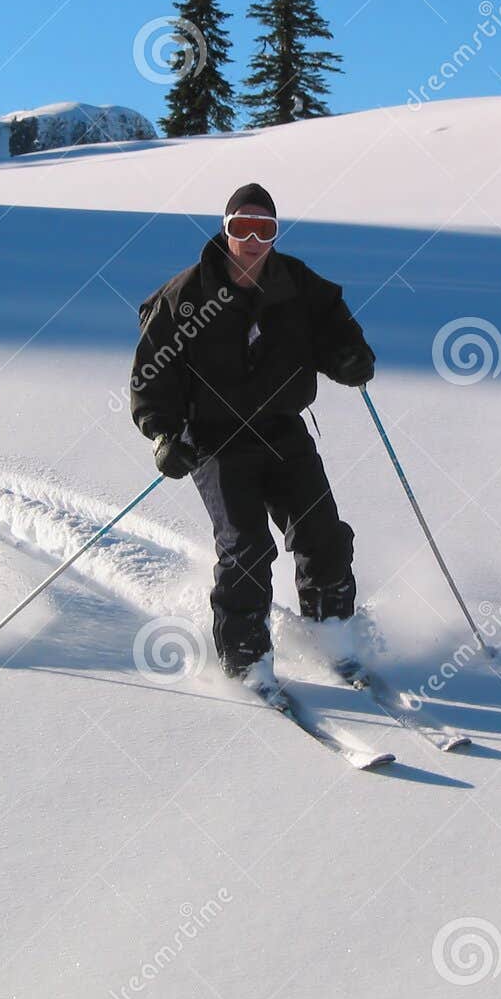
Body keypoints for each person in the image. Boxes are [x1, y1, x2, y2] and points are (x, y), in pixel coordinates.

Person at [129, 183, 375, 688]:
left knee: (321, 534)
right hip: (214, 440)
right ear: (226, 229)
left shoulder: (299, 285)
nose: (253, 239)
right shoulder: (187, 295)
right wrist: (163, 433)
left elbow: (336, 332)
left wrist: (350, 359)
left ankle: (332, 636)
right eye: (243, 227)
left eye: (265, 228)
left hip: (281, 429)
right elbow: (155, 373)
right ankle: (245, 657)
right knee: (246, 546)